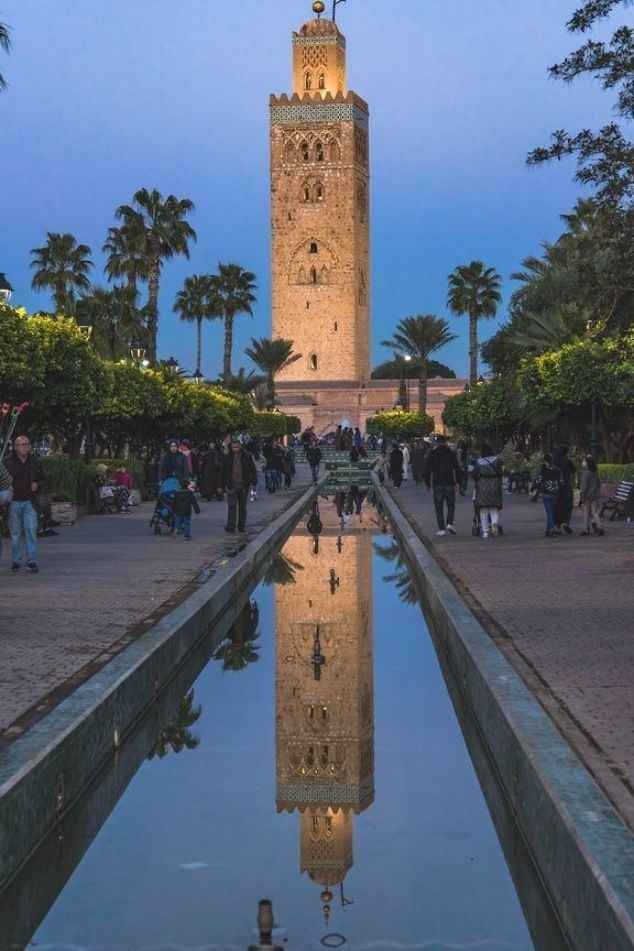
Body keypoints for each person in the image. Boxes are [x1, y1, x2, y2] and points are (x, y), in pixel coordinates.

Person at [5, 434, 44, 572]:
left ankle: (32, 561)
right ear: (16, 447)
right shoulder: (7, 462)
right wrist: (7, 488)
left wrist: (37, 484)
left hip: (29, 502)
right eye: (22, 444)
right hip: (13, 502)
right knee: (15, 534)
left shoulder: (34, 461)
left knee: (31, 531)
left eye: (27, 444)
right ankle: (16, 560)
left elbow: (43, 478)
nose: (26, 447)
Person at [423, 435, 462, 537]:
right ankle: (449, 523)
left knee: (438, 507)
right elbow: (457, 468)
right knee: (451, 505)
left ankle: (441, 529)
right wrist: (458, 482)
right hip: (449, 482)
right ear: (445, 442)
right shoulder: (451, 453)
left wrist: (427, 483)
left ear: (437, 442)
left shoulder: (433, 453)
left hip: (437, 483)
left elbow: (427, 469)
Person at [221, 436, 258, 533]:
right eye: (233, 447)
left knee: (242, 507)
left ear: (240, 446)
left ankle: (241, 526)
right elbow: (223, 472)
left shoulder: (247, 456)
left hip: (243, 485)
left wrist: (253, 482)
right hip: (231, 485)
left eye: (237, 447)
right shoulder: (227, 457)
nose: (235, 449)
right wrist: (221, 485)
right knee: (232, 506)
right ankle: (231, 526)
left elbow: (252, 470)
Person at [472, 443, 504, 538]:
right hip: (495, 486)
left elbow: (474, 474)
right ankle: (494, 523)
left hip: (482, 486)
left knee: (483, 510)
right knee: (494, 508)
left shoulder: (478, 462)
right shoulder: (497, 460)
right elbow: (501, 472)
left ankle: (485, 531)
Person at [537, 453, 563, 538]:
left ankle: (551, 529)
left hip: (546, 492)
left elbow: (538, 480)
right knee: (552, 512)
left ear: (545, 460)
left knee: (549, 512)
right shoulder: (557, 469)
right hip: (555, 493)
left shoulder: (543, 469)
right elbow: (561, 481)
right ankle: (548, 530)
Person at [553, 445, 576, 535]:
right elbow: (574, 471)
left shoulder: (554, 461)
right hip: (567, 486)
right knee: (567, 505)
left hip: (556, 487)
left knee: (557, 506)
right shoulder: (567, 461)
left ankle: (557, 526)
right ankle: (565, 522)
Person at [579, 455, 604, 536]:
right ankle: (600, 527)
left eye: (584, 461)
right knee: (594, 512)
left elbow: (584, 487)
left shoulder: (585, 473)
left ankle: (586, 529)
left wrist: (582, 498)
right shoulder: (595, 472)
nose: (583, 462)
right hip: (594, 495)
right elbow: (598, 484)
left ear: (587, 463)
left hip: (587, 496)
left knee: (586, 512)